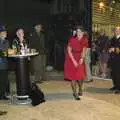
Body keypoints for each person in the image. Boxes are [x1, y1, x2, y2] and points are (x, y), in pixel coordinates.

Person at [64, 26, 88, 100]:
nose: (78, 33)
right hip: (71, 58)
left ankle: (80, 88)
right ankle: (75, 93)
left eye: (80, 31)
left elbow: (84, 50)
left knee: (80, 76)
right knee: (73, 77)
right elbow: (69, 50)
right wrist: (74, 61)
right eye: (77, 31)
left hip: (79, 57)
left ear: (83, 32)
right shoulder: (72, 39)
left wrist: (82, 58)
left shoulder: (85, 39)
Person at [109, 27, 120, 93]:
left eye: (118, 30)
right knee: (113, 73)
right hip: (113, 58)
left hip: (119, 59)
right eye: (116, 30)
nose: (116, 31)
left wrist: (115, 49)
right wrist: (110, 49)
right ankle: (115, 86)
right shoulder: (113, 38)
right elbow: (110, 45)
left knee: (118, 73)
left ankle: (119, 88)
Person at [0, 25, 9, 100]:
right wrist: (5, 53)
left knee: (4, 79)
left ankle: (2, 95)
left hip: (4, 63)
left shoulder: (6, 41)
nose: (5, 33)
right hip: (0, 63)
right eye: (4, 32)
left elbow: (7, 51)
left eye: (5, 32)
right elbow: (3, 52)